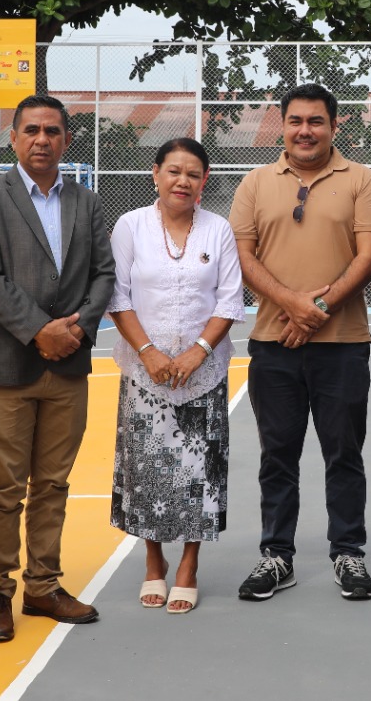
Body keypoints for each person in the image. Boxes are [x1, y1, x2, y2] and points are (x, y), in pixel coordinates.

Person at [228, 82, 371, 601]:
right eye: (295, 120)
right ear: (283, 125)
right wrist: (293, 306)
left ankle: (348, 553)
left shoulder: (361, 180)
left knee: (344, 453)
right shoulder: (255, 183)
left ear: (333, 125)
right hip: (274, 346)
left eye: (316, 121)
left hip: (342, 345)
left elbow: (370, 257)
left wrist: (315, 311)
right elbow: (245, 258)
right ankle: (277, 556)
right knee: (278, 455)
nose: (305, 130)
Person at [0, 94, 115, 642]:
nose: (42, 140)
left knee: (53, 483)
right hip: (9, 365)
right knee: (5, 486)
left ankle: (43, 586)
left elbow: (104, 275)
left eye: (52, 131)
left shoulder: (87, 202)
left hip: (69, 366)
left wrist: (75, 330)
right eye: (31, 130)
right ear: (13, 137)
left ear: (66, 140)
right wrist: (39, 330)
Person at [108, 137, 245, 614]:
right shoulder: (130, 226)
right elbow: (118, 296)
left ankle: (188, 564)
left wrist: (197, 353)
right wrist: (146, 352)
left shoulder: (218, 230)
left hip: (201, 376)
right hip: (144, 374)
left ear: (204, 181)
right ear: (156, 174)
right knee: (145, 472)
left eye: (192, 173)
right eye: (173, 171)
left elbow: (230, 300)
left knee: (199, 475)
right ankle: (153, 562)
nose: (182, 181)